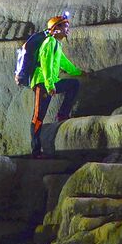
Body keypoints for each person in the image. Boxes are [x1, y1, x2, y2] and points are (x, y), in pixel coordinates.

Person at [27, 14, 82, 156]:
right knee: (38, 117)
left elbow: (64, 62)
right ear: (56, 28)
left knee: (74, 84)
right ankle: (36, 150)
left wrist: (79, 73)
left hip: (51, 82)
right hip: (42, 82)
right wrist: (49, 84)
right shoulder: (49, 42)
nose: (67, 29)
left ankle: (62, 114)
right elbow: (45, 64)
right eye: (65, 26)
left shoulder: (57, 44)